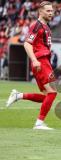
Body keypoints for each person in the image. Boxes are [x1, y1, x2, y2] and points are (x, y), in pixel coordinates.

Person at [6, 1, 57, 130]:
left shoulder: (46, 27)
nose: (51, 13)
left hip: (43, 61)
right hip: (41, 61)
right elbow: (27, 44)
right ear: (40, 12)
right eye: (48, 11)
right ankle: (39, 123)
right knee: (52, 93)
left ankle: (18, 95)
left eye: (51, 11)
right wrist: (34, 60)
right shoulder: (37, 25)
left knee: (47, 95)